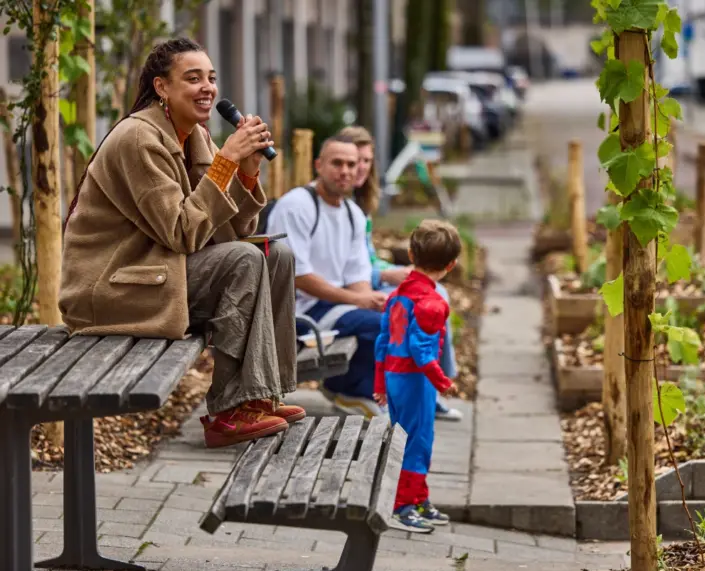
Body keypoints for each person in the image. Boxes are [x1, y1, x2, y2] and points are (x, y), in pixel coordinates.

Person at [59, 37, 304, 450]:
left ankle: (263, 393)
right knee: (244, 261)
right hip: (111, 286)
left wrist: (246, 171)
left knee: (274, 254)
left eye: (210, 78)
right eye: (192, 78)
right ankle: (230, 409)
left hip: (160, 272)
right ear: (161, 88)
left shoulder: (195, 136)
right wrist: (225, 161)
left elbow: (236, 231)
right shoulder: (139, 139)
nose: (207, 87)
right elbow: (182, 232)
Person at [338, 125, 463, 422]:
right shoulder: (337, 204)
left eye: (367, 161)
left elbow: (365, 257)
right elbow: (344, 267)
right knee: (428, 297)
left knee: (435, 291)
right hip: (355, 288)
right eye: (356, 160)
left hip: (371, 276)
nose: (360, 168)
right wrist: (385, 276)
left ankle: (431, 389)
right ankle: (427, 386)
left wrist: (392, 270)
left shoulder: (360, 205)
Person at [265, 133, 387, 419]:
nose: (345, 171)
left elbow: (357, 274)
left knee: (397, 314)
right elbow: (298, 276)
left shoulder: (353, 214)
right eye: (337, 163)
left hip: (331, 306)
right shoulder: (297, 205)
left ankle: (354, 388)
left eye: (351, 164)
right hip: (296, 311)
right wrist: (358, 300)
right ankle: (352, 390)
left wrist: (368, 298)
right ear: (319, 165)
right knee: (384, 324)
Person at [373, 219, 462, 533]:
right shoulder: (431, 302)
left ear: (411, 254)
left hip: (395, 377)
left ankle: (417, 497)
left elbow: (383, 341)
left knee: (403, 437)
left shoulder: (397, 295)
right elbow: (422, 350)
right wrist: (443, 382)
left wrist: (380, 383)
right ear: (450, 265)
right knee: (418, 441)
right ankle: (402, 506)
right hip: (415, 380)